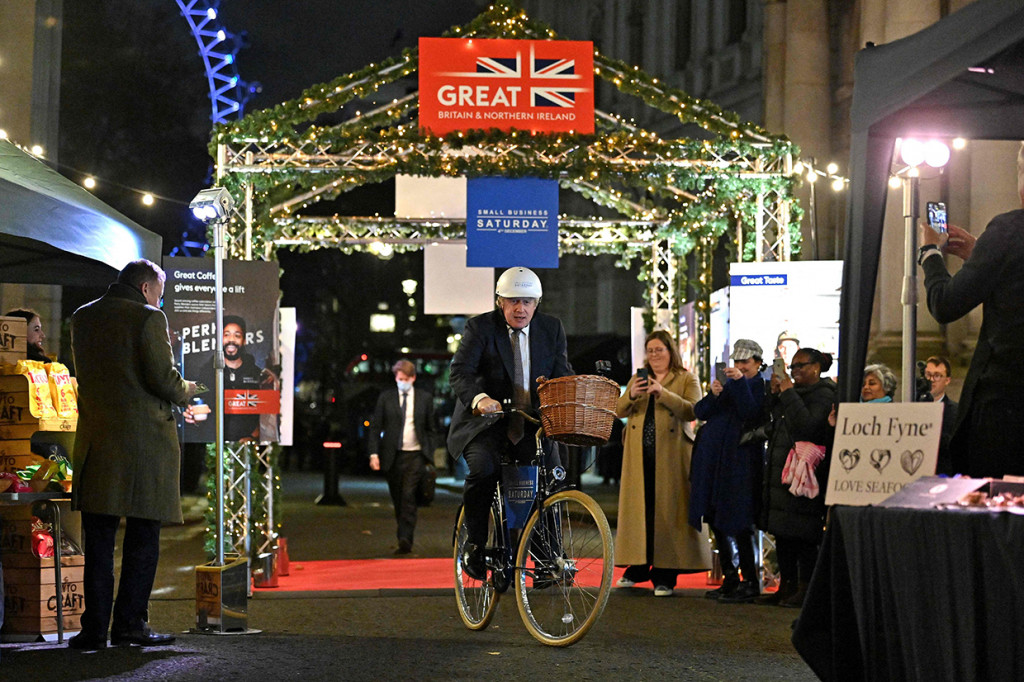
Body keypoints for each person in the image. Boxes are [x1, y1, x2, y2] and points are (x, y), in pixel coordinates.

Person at [68, 259, 199, 650]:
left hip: (97, 442)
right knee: (143, 536)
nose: (162, 299)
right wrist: (193, 388)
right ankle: (129, 625)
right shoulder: (148, 318)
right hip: (144, 447)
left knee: (99, 540)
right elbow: (163, 379)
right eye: (160, 291)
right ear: (146, 288)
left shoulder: (82, 317)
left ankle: (93, 629)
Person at [447, 267, 572, 581]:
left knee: (549, 476)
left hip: (529, 422)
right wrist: (479, 399)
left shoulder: (551, 329)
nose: (521, 309)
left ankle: (548, 556)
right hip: (486, 423)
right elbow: (460, 372)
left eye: (528, 302)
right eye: (513, 301)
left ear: (537, 303)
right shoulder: (479, 328)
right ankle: (475, 544)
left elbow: (562, 374)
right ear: (499, 301)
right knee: (483, 469)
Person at [918, 143, 1024, 476]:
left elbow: (945, 304)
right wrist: (984, 256)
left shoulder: (1009, 231)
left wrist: (930, 253)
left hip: (1005, 413)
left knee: (995, 514)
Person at [614, 330, 710, 597]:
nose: (654, 355)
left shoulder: (686, 378)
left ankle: (665, 573)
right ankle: (638, 566)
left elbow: (693, 410)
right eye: (651, 350)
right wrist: (632, 393)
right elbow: (619, 410)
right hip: (639, 457)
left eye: (660, 350)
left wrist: (663, 393)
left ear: (671, 352)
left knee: (669, 513)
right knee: (641, 510)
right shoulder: (639, 377)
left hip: (671, 457)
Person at [690, 339, 768, 604]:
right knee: (715, 516)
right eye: (737, 362)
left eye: (745, 362)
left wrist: (738, 384)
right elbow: (700, 412)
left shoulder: (759, 386)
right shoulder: (730, 384)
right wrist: (713, 393)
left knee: (740, 518)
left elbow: (752, 412)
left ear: (758, 362)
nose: (739, 366)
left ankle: (750, 581)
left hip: (740, 463)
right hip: (715, 461)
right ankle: (730, 578)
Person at [757, 347, 835, 608]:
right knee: (783, 533)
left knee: (803, 535)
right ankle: (786, 585)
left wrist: (788, 392)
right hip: (784, 471)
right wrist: (776, 394)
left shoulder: (824, 394)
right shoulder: (793, 393)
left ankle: (804, 589)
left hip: (806, 475)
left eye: (801, 365)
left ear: (817, 367)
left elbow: (808, 426)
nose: (796, 371)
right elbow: (775, 420)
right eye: (792, 366)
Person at [368, 359, 440, 555]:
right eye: (400, 379)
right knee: (398, 496)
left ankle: (405, 538)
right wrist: (374, 453)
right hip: (392, 455)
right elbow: (376, 427)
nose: (403, 382)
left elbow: (432, 428)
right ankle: (403, 531)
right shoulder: (386, 398)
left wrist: (429, 451)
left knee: (408, 496)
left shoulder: (424, 398)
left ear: (413, 378)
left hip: (415, 454)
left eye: (406, 379)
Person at [184, 315, 278, 442]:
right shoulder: (205, 374)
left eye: (237, 335)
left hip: (246, 446)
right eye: (226, 334)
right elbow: (199, 406)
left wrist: (253, 437)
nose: (231, 340)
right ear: (219, 339)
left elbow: (268, 418)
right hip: (214, 445)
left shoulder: (258, 375)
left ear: (244, 340)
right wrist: (193, 417)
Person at [924, 356, 959, 474]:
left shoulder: (956, 412)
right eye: (928, 375)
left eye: (937, 375)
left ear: (947, 380)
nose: (931, 380)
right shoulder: (912, 406)